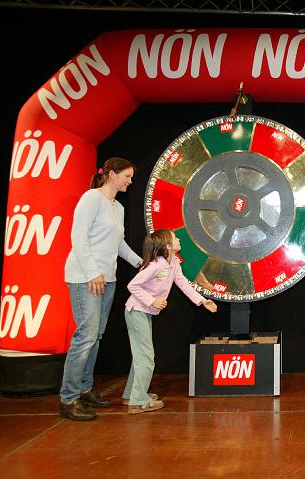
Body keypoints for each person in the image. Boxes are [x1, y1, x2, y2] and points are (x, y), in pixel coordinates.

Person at [60, 157, 142, 421]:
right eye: (127, 176)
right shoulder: (91, 198)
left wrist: (141, 262)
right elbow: (78, 237)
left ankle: (84, 390)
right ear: (112, 175)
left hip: (107, 279)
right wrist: (92, 272)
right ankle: (68, 398)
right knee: (85, 336)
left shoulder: (118, 208)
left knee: (95, 336)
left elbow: (119, 244)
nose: (130, 181)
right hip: (86, 277)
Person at [122, 229, 218, 414]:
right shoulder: (156, 265)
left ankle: (131, 395)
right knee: (146, 357)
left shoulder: (173, 263)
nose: (179, 239)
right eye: (175, 238)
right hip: (136, 312)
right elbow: (132, 285)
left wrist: (202, 301)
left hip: (143, 313)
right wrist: (152, 301)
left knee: (141, 356)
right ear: (168, 246)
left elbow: (183, 284)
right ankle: (138, 401)